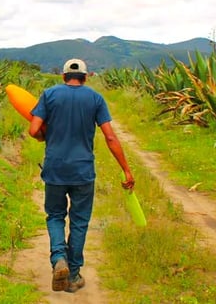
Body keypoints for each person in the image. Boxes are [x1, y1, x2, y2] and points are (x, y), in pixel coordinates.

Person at [29, 58, 135, 293]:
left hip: (55, 169)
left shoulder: (49, 94)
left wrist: (46, 137)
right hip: (83, 171)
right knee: (79, 222)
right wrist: (126, 169)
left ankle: (59, 259)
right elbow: (109, 137)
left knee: (55, 216)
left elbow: (34, 129)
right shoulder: (95, 98)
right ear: (86, 77)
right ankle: (73, 275)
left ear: (63, 76)